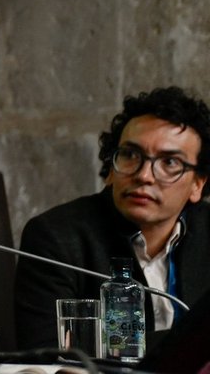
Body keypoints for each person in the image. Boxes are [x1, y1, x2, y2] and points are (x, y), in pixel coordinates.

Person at [15, 85, 210, 352]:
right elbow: (46, 353)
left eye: (170, 163)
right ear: (110, 170)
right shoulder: (56, 237)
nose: (144, 175)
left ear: (198, 184)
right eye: (130, 155)